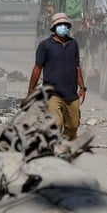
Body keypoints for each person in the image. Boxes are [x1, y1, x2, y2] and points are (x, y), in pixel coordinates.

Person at [27, 12, 86, 140]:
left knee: (73, 126)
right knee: (56, 123)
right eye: (60, 24)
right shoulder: (45, 46)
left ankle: (64, 148)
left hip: (71, 94)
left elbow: (77, 66)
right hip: (53, 94)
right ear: (54, 28)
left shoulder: (73, 44)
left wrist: (82, 87)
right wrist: (31, 90)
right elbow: (37, 68)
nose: (63, 27)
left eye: (65, 24)